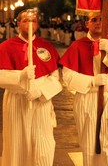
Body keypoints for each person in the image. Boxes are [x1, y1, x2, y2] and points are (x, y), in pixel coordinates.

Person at [59, 12, 108, 166]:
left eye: (102, 19)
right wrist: (92, 81)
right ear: (87, 24)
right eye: (94, 20)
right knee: (90, 146)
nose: (99, 23)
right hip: (88, 99)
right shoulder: (77, 45)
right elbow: (67, 77)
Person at [0, 9, 62, 166]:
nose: (30, 24)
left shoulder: (46, 46)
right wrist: (20, 77)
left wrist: (40, 91)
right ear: (18, 23)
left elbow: (56, 78)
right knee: (17, 144)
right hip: (17, 99)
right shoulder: (6, 46)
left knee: (43, 145)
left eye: (33, 20)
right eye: (25, 20)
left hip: (41, 101)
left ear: (37, 24)